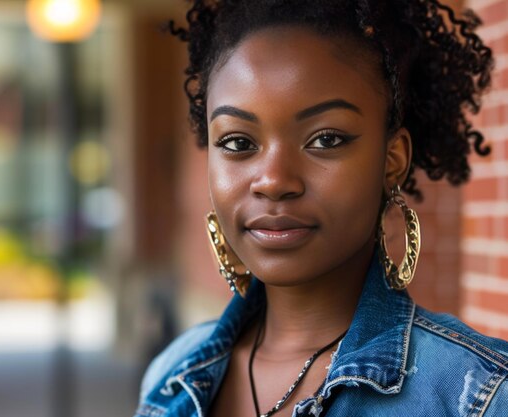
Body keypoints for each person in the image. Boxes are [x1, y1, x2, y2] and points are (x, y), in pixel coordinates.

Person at [135, 1, 508, 416]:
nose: (273, 180)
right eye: (238, 142)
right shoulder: (170, 378)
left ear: (392, 159)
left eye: (325, 139)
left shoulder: (478, 395)